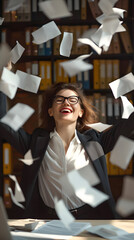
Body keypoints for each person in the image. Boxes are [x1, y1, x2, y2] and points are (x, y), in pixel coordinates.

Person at [0, 80, 134, 220]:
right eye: (59, 99)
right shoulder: (34, 144)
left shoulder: (95, 143)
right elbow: (3, 122)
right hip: (47, 219)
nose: (66, 103)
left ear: (81, 112)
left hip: (87, 219)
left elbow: (129, 124)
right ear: (50, 111)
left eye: (73, 99)